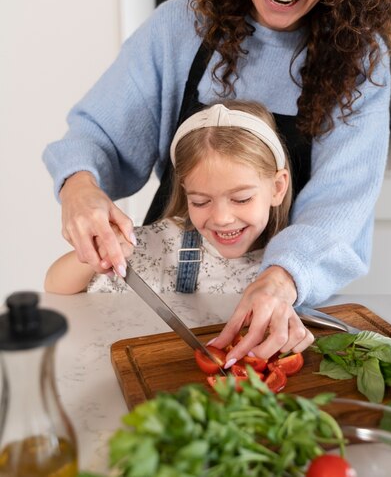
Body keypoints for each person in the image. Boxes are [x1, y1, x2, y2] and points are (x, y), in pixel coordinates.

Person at [42, 0, 391, 362]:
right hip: (160, 307)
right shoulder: (180, 29)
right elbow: (96, 139)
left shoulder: (359, 57)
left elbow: (338, 206)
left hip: (281, 319)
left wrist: (280, 280)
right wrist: (79, 188)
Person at [45, 100, 314, 359]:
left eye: (241, 199)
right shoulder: (167, 244)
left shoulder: (299, 262)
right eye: (200, 201)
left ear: (278, 188)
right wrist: (102, 246)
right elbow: (56, 285)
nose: (221, 218)